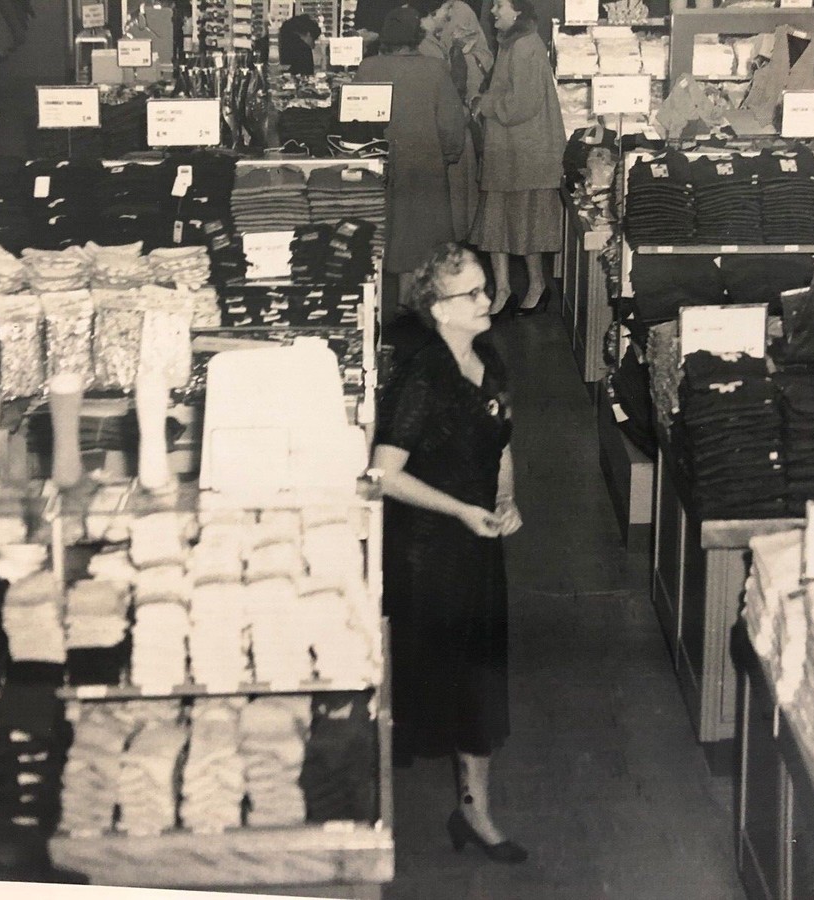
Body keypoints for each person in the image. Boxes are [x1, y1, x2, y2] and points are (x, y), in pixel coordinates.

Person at [372, 242, 526, 864]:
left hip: (478, 549)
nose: (487, 300)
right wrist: (463, 510)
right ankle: (369, 828)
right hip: (425, 555)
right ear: (438, 309)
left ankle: (476, 814)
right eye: (473, 294)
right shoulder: (424, 375)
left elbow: (502, 443)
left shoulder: (488, 359)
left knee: (480, 685)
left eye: (485, 288)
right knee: (415, 687)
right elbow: (385, 474)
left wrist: (507, 498)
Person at [352, 6, 467, 304]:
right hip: (426, 162)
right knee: (422, 234)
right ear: (417, 37)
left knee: (388, 231)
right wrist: (450, 154)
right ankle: (417, 298)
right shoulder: (435, 69)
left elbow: (354, 121)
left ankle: (386, 303)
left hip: (380, 163)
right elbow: (452, 123)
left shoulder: (368, 68)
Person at [471, 0, 566, 317]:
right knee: (501, 222)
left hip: (524, 151)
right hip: (511, 150)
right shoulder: (514, 43)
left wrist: (483, 105)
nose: (494, 11)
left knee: (521, 222)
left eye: (500, 5)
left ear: (518, 12)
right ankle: (505, 289)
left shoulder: (525, 46)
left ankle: (534, 287)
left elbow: (519, 105)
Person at [413, 0, 494, 239]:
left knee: (459, 179)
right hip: (451, 117)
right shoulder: (429, 39)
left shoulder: (458, 9)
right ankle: (457, 233)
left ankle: (458, 232)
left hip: (457, 113)